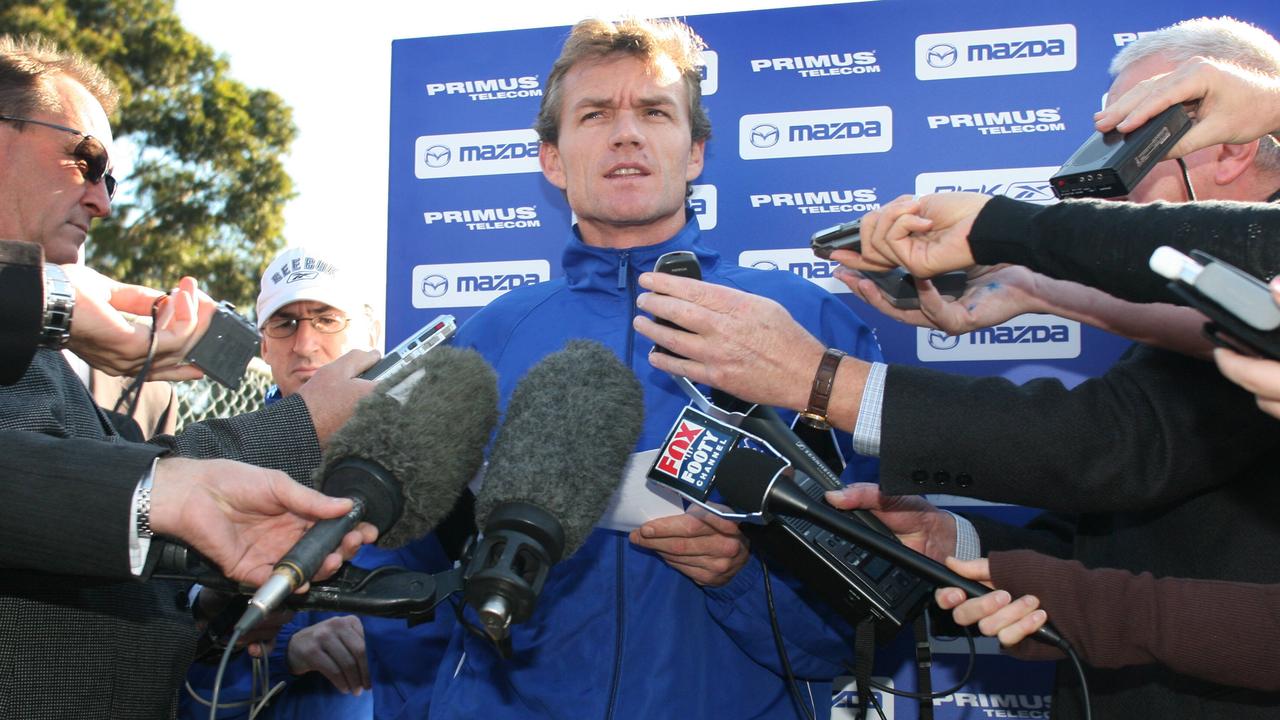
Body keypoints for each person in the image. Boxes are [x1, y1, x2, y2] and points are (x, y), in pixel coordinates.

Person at [633, 17, 1280, 719]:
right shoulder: (1199, 301)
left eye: (1135, 139)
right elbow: (1115, 524)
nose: (1106, 175)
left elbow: (1117, 443)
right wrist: (954, 539)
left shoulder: (1261, 297)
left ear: (1233, 146)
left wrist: (824, 381)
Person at [373, 17, 882, 720]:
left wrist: (740, 576)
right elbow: (400, 575)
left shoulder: (806, 325)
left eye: (653, 111)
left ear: (695, 150)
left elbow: (879, 604)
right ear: (552, 159)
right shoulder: (485, 338)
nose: (626, 133)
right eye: (595, 114)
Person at [0, 34, 377, 719]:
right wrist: (305, 425)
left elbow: (126, 558)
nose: (101, 201)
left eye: (110, 177)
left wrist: (215, 607)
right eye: (85, 160)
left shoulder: (57, 350)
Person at [183, 246, 391, 720]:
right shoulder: (223, 464)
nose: (304, 344)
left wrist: (383, 639)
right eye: (285, 323)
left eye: (326, 319)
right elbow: (176, 674)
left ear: (369, 332)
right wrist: (284, 655)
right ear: (263, 345)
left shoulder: (428, 457)